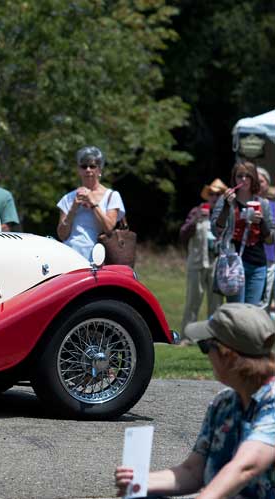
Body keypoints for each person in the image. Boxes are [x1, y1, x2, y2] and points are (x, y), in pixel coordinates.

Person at [115, 303, 275, 499]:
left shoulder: (272, 403)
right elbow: (193, 472)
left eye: (206, 346)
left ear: (228, 356)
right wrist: (141, 482)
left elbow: (246, 467)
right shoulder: (223, 404)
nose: (207, 356)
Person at [212, 161, 273, 304]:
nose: (244, 179)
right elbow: (217, 231)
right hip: (234, 263)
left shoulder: (262, 203)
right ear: (234, 179)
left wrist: (261, 221)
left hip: (258, 264)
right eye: (240, 176)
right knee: (236, 311)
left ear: (254, 179)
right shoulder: (226, 200)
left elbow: (270, 239)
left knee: (251, 313)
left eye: (248, 176)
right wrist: (227, 206)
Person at [56, 146, 125, 261]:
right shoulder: (68, 198)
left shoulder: (112, 196)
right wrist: (73, 208)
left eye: (92, 166)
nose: (88, 170)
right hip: (69, 256)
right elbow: (62, 235)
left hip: (98, 257)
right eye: (84, 166)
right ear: (79, 170)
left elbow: (108, 228)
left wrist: (93, 203)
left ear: (99, 170)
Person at [179, 178, 227, 337]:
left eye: (218, 194)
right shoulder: (196, 211)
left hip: (217, 264)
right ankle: (187, 337)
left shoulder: (226, 214)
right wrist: (196, 219)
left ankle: (214, 337)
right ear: (207, 196)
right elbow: (183, 234)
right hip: (197, 263)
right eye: (212, 194)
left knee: (216, 304)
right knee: (192, 302)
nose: (214, 197)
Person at [257, 167, 275, 312]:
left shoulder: (273, 206)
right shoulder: (247, 205)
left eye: (261, 181)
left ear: (267, 184)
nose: (258, 183)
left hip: (272, 256)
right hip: (261, 259)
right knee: (262, 301)